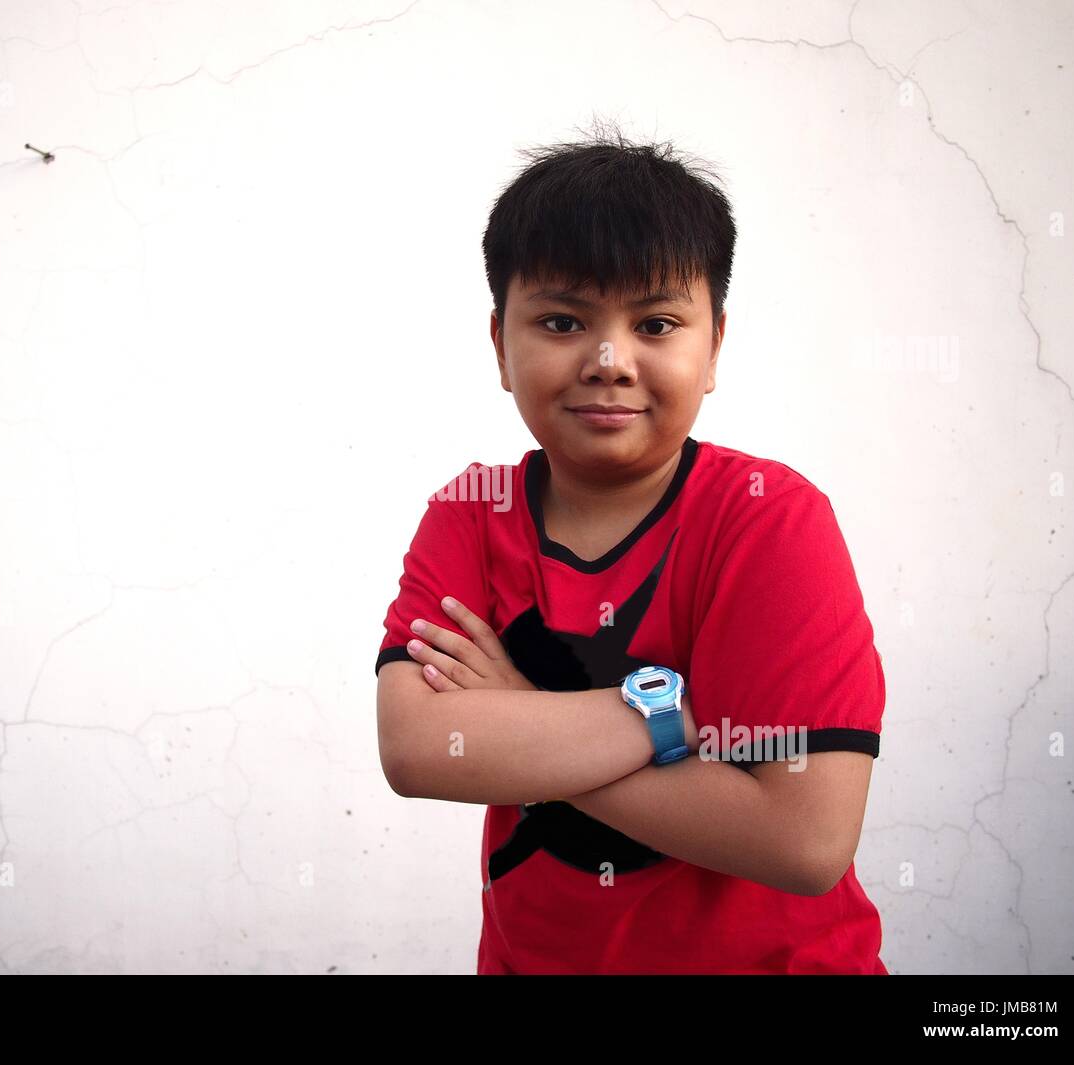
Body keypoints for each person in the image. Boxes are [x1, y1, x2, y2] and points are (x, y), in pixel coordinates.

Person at [374, 123, 888, 975]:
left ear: (714, 345)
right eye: (564, 320)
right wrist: (671, 715)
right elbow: (419, 747)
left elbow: (804, 838)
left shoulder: (770, 521)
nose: (610, 361)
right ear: (501, 344)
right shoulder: (471, 513)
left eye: (655, 323)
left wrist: (522, 718)